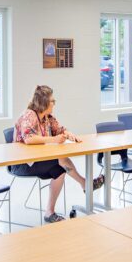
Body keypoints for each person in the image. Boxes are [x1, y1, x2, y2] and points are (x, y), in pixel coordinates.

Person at [11, 85, 104, 223]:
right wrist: (53, 139)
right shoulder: (29, 115)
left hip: (40, 160)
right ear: (43, 102)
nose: (54, 103)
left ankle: (50, 213)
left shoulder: (48, 117)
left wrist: (69, 134)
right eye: (52, 101)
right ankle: (85, 184)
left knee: (59, 170)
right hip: (23, 163)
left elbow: (60, 129)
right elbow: (29, 139)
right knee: (59, 160)